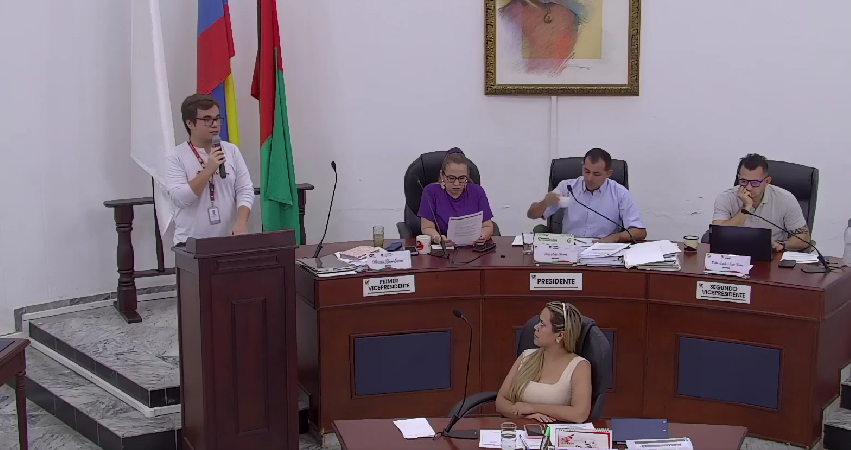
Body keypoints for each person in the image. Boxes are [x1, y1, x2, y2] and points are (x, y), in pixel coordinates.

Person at [166, 94, 255, 246]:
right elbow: (180, 199)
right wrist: (208, 171)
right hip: (191, 244)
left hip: (229, 240)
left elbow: (244, 189)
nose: (215, 124)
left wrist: (241, 222)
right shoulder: (176, 156)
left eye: (217, 118)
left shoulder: (231, 151)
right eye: (207, 119)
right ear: (190, 123)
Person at [495, 301, 592, 423]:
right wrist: (526, 416)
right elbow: (500, 402)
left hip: (556, 432)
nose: (535, 327)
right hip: (521, 427)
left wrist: (532, 407)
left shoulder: (579, 366)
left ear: (560, 335)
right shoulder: (526, 357)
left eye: (542, 324)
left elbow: (579, 414)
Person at [526, 148, 646, 242]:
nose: (589, 178)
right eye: (586, 171)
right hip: (569, 248)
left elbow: (640, 231)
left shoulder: (620, 193)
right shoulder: (567, 187)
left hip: (603, 249)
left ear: (608, 173)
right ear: (583, 166)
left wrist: (616, 237)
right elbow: (531, 214)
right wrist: (544, 202)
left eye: (596, 174)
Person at [712, 153, 810, 252]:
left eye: (755, 183)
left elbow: (804, 237)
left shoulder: (785, 199)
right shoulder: (725, 198)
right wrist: (746, 207)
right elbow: (718, 236)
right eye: (743, 181)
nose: (748, 187)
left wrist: (782, 244)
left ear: (767, 181)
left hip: (772, 253)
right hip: (733, 252)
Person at [418, 148, 494, 246]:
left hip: (473, 248)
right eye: (451, 178)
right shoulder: (430, 192)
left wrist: (483, 236)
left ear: (467, 176)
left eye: (462, 178)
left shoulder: (477, 191)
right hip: (443, 249)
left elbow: (488, 226)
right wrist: (437, 238)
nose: (457, 183)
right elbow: (426, 228)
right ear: (442, 175)